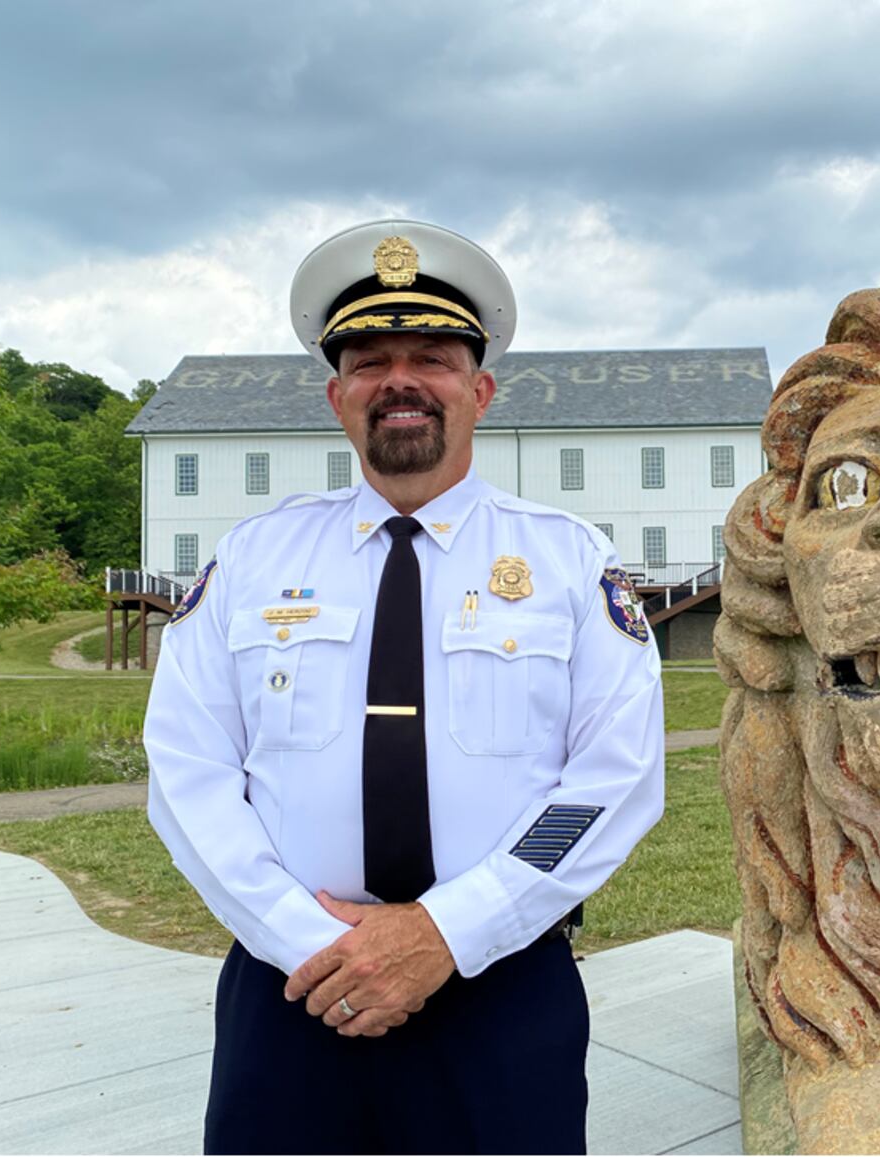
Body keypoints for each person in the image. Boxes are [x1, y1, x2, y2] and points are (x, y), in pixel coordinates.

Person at [144, 219, 665, 1155]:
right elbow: (190, 772)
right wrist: (302, 937)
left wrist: (445, 931)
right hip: (295, 987)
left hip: (498, 984)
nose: (401, 380)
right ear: (338, 396)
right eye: (371, 358)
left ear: (481, 389)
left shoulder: (568, 563)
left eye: (432, 356)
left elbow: (608, 781)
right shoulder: (255, 559)